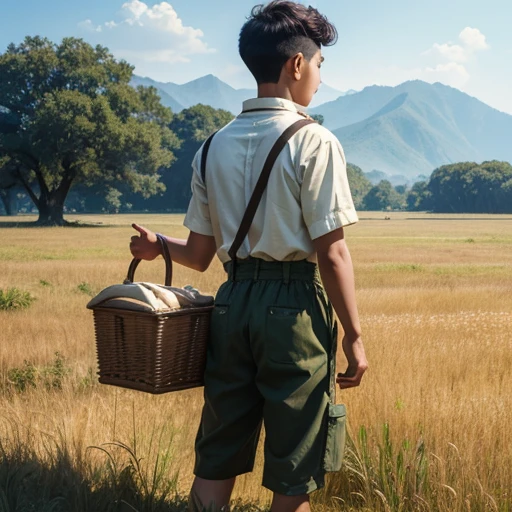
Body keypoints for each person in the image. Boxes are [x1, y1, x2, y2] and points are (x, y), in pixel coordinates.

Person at [129, 1, 368, 511]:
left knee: (217, 453)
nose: (321, 80)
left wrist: (158, 247)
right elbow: (333, 253)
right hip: (294, 309)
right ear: (297, 64)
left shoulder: (212, 145)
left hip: (230, 305)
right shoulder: (315, 140)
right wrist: (355, 336)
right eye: (320, 66)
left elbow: (197, 254)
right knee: (294, 467)